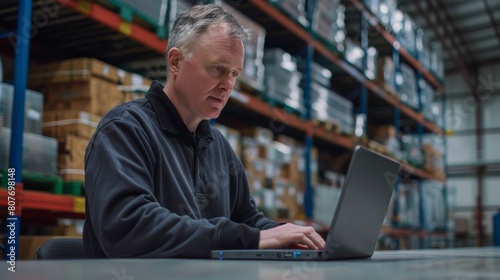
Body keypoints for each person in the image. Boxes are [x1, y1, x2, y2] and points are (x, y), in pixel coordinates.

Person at [83, 3, 325, 258]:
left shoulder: (218, 145)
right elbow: (128, 229)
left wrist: (286, 234)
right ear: (175, 62)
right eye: (217, 69)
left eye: (234, 73)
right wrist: (245, 238)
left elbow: (246, 219)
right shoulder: (124, 130)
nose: (228, 85)